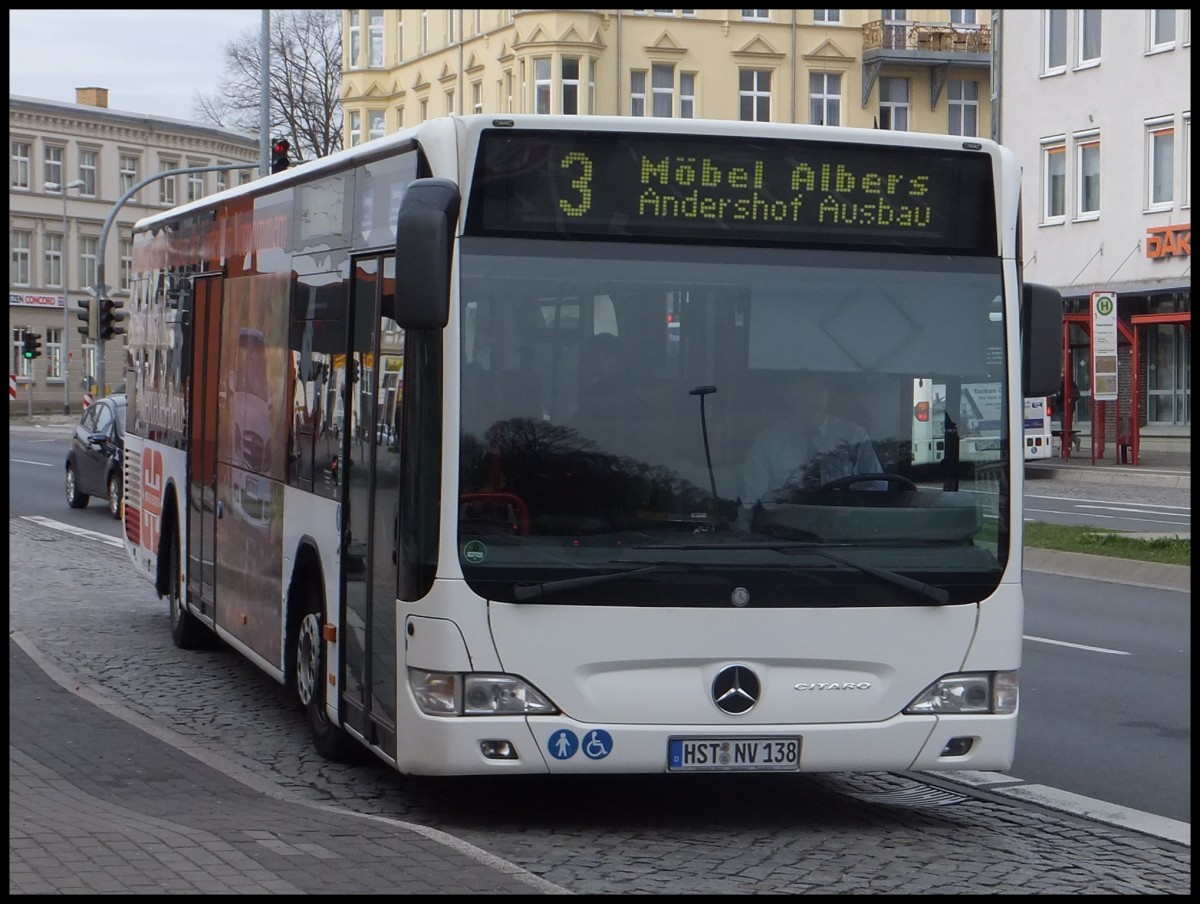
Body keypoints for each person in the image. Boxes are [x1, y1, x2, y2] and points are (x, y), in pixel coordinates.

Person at [734, 371, 884, 531]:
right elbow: (750, 500)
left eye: (817, 385)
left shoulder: (854, 435)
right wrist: (745, 533)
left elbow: (877, 487)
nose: (810, 393)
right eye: (802, 386)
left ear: (829, 393)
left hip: (842, 532)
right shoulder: (768, 440)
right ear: (789, 394)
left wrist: (854, 508)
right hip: (783, 533)